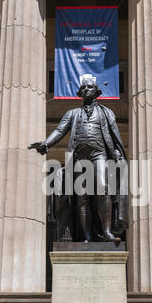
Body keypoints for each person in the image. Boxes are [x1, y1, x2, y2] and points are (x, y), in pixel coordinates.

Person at [28, 74, 128, 243]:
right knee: (83, 198)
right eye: (83, 88)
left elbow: (113, 135)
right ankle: (87, 236)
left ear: (97, 92)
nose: (86, 90)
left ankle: (107, 232)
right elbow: (60, 131)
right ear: (79, 93)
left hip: (99, 154)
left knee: (102, 187)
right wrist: (46, 143)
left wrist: (117, 152)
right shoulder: (73, 113)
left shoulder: (106, 112)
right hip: (78, 158)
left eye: (90, 87)